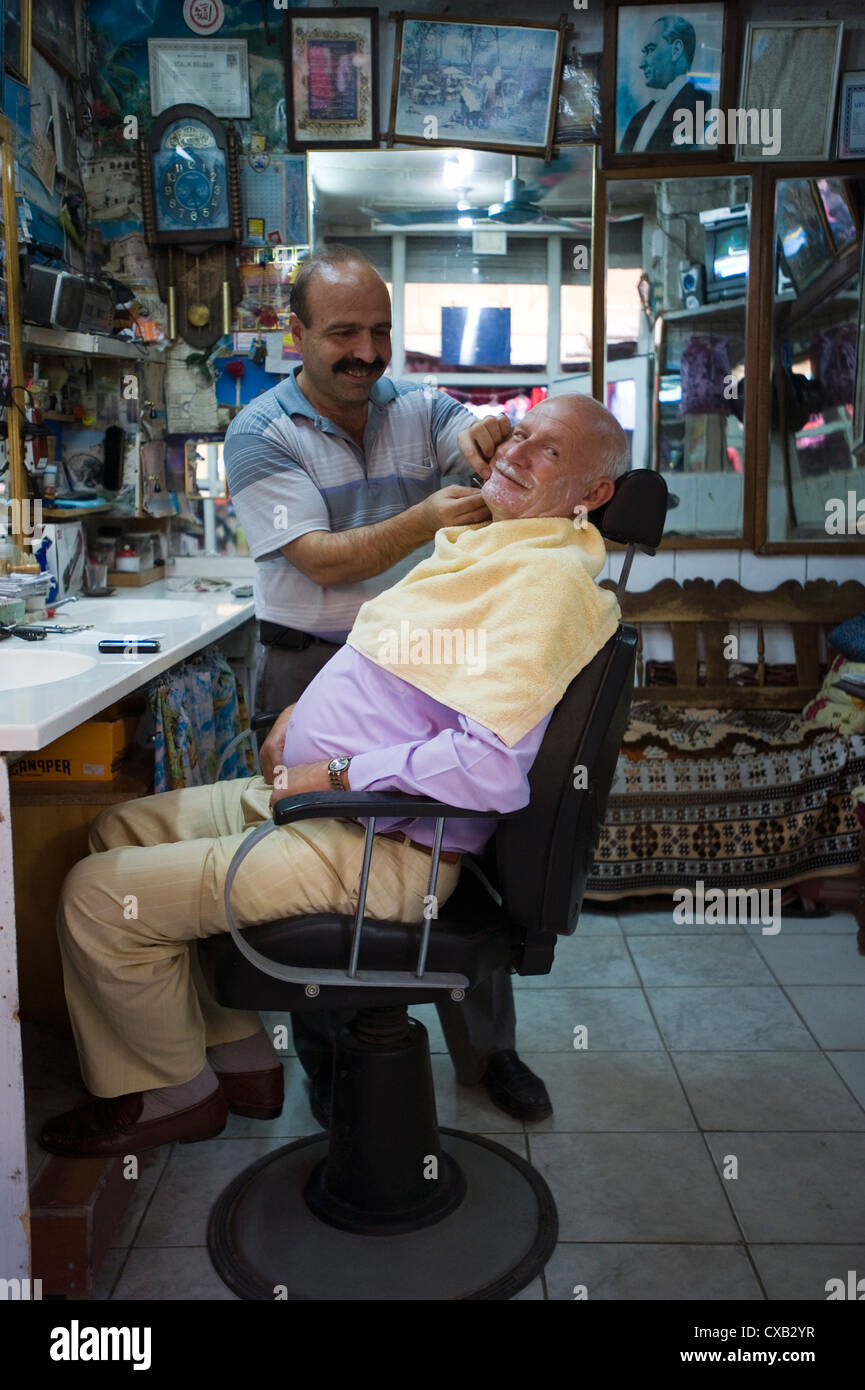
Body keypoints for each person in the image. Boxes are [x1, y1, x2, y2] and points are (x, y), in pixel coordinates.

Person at [40, 392, 629, 1158]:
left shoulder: (542, 586)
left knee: (97, 896)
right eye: (518, 433)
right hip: (331, 803)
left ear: (592, 495)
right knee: (116, 827)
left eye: (547, 452)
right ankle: (242, 1064)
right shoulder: (498, 551)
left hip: (380, 845)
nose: (514, 452)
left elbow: (490, 772)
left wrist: (335, 765)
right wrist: (306, 716)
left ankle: (174, 1095)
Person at [214, 244, 548, 1124]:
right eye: (342, 333)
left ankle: (490, 1053)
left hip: (415, 670)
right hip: (306, 662)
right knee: (323, 873)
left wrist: (494, 437)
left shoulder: (419, 405)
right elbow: (321, 563)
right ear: (294, 335)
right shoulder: (258, 434)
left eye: (379, 330)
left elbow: (477, 439)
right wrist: (419, 521)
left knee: (456, 858)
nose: (366, 351)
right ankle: (338, 1078)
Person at [620, 15, 711, 155]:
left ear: (676, 50)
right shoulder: (638, 118)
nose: (642, 64)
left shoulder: (704, 105)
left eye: (650, 50)